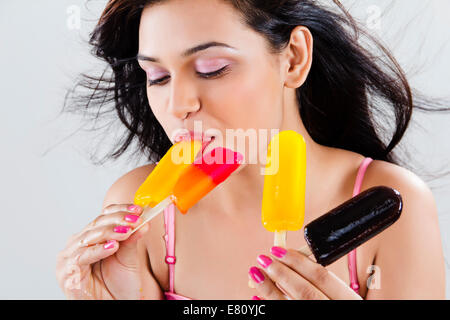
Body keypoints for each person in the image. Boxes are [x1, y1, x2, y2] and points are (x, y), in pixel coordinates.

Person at [56, 0, 446, 299]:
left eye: (211, 68)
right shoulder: (139, 216)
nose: (178, 104)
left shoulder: (388, 205)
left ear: (293, 58)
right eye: (157, 77)